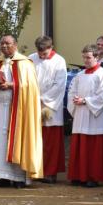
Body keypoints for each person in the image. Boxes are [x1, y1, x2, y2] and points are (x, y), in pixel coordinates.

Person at [0, 35, 44, 188]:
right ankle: (1, 176)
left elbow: (31, 87)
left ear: (15, 45)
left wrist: (12, 85)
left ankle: (19, 177)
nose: (5, 46)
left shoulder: (25, 63)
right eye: (3, 43)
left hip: (17, 109)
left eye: (8, 43)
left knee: (17, 139)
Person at [67, 44, 103, 187]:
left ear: (97, 57)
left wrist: (85, 101)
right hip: (80, 114)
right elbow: (71, 91)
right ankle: (78, 175)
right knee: (79, 146)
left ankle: (93, 176)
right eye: (84, 57)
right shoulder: (79, 75)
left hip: (95, 117)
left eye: (88, 57)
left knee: (94, 148)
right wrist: (75, 100)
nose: (86, 60)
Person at [29, 35, 68, 184]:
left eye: (44, 53)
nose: (41, 56)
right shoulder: (31, 58)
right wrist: (32, 98)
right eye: (39, 53)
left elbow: (59, 85)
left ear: (51, 48)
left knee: (50, 142)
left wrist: (42, 99)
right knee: (35, 139)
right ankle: (35, 169)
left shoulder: (59, 61)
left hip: (50, 106)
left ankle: (50, 172)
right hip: (32, 103)